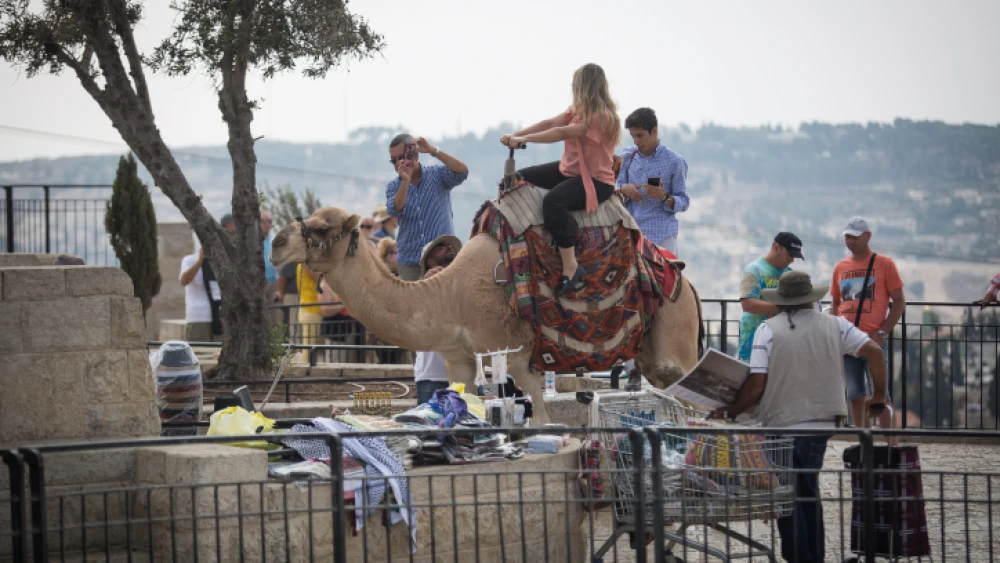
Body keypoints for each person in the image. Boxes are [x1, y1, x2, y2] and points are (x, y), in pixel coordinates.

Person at [709, 271, 888, 563]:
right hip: (821, 424)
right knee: (808, 490)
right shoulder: (836, 326)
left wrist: (729, 411)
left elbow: (756, 385)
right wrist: (879, 395)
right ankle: (813, 557)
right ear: (810, 299)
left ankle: (798, 558)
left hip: (782, 424)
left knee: (786, 497)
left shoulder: (767, 331)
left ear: (781, 301)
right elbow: (875, 352)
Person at [501, 63, 620, 296]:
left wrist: (526, 139)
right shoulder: (575, 111)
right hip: (569, 172)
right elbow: (549, 124)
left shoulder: (601, 117)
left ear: (584, 86)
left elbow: (562, 133)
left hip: (597, 182)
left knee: (553, 202)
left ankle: (570, 264)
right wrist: (517, 135)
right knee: (520, 178)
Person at [830, 217, 905, 430]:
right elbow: (836, 302)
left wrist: (883, 332)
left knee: (881, 397)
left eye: (854, 237)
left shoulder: (884, 264)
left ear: (867, 236)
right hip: (847, 340)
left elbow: (899, 302)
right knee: (855, 396)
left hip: (873, 339)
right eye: (847, 237)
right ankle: (864, 445)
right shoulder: (840, 267)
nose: (850, 241)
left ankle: (892, 446)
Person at [385, 134, 469, 281]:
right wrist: (405, 181)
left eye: (401, 157)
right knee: (412, 304)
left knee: (446, 302)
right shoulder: (393, 186)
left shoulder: (437, 174)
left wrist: (433, 151)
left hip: (442, 259)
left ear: (414, 154)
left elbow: (462, 172)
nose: (398, 163)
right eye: (394, 160)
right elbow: (395, 209)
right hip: (411, 263)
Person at [617, 107, 690, 255]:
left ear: (654, 131)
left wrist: (663, 197)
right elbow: (617, 190)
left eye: (640, 135)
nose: (636, 141)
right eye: (633, 136)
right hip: (632, 234)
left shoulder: (675, 162)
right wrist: (625, 189)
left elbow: (683, 201)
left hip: (662, 237)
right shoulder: (627, 157)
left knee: (664, 278)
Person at [737, 232, 803, 362]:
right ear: (776, 247)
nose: (792, 260)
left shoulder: (789, 273)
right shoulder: (754, 270)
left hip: (781, 344)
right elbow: (747, 304)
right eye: (789, 254)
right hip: (753, 343)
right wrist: (782, 307)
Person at [413, 234, 462, 403]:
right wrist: (424, 287)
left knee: (465, 427)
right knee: (430, 428)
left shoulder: (463, 285)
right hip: (431, 376)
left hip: (464, 372)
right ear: (430, 262)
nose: (449, 247)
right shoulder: (418, 290)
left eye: (450, 245)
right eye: (441, 246)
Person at [178, 246, 223, 343]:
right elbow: (184, 281)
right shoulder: (189, 260)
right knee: (200, 352)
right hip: (198, 317)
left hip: (220, 316)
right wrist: (199, 262)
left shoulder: (223, 260)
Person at [261, 210, 280, 324]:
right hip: (258, 284)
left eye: (269, 221)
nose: (266, 223)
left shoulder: (275, 241)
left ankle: (275, 342)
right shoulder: (252, 241)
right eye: (263, 220)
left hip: (274, 283)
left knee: (275, 317)